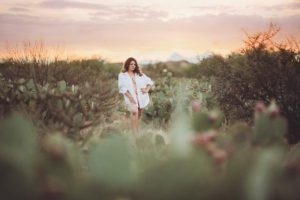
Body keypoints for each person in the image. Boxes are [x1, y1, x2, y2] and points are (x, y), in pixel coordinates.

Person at [118, 57, 154, 133]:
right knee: (134, 112)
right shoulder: (122, 75)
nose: (133, 65)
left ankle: (136, 131)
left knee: (138, 114)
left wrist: (146, 90)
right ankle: (134, 132)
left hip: (140, 97)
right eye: (131, 64)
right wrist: (130, 97)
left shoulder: (140, 74)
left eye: (134, 64)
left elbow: (149, 81)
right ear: (127, 64)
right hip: (130, 96)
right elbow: (122, 87)